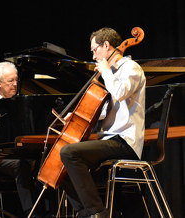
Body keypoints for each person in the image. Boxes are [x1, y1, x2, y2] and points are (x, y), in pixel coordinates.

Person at [59, 27, 146, 218]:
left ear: (106, 45)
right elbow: (105, 109)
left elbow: (121, 93)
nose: (93, 55)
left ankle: (98, 212)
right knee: (59, 158)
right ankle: (85, 212)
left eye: (94, 49)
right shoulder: (113, 72)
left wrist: (106, 71)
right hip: (109, 139)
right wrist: (76, 114)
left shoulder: (131, 68)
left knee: (69, 153)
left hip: (124, 141)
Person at [0, 61, 36, 217]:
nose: (15, 84)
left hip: (23, 152)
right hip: (0, 157)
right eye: (10, 81)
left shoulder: (23, 102)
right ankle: (32, 213)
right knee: (21, 165)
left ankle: (50, 210)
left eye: (16, 80)